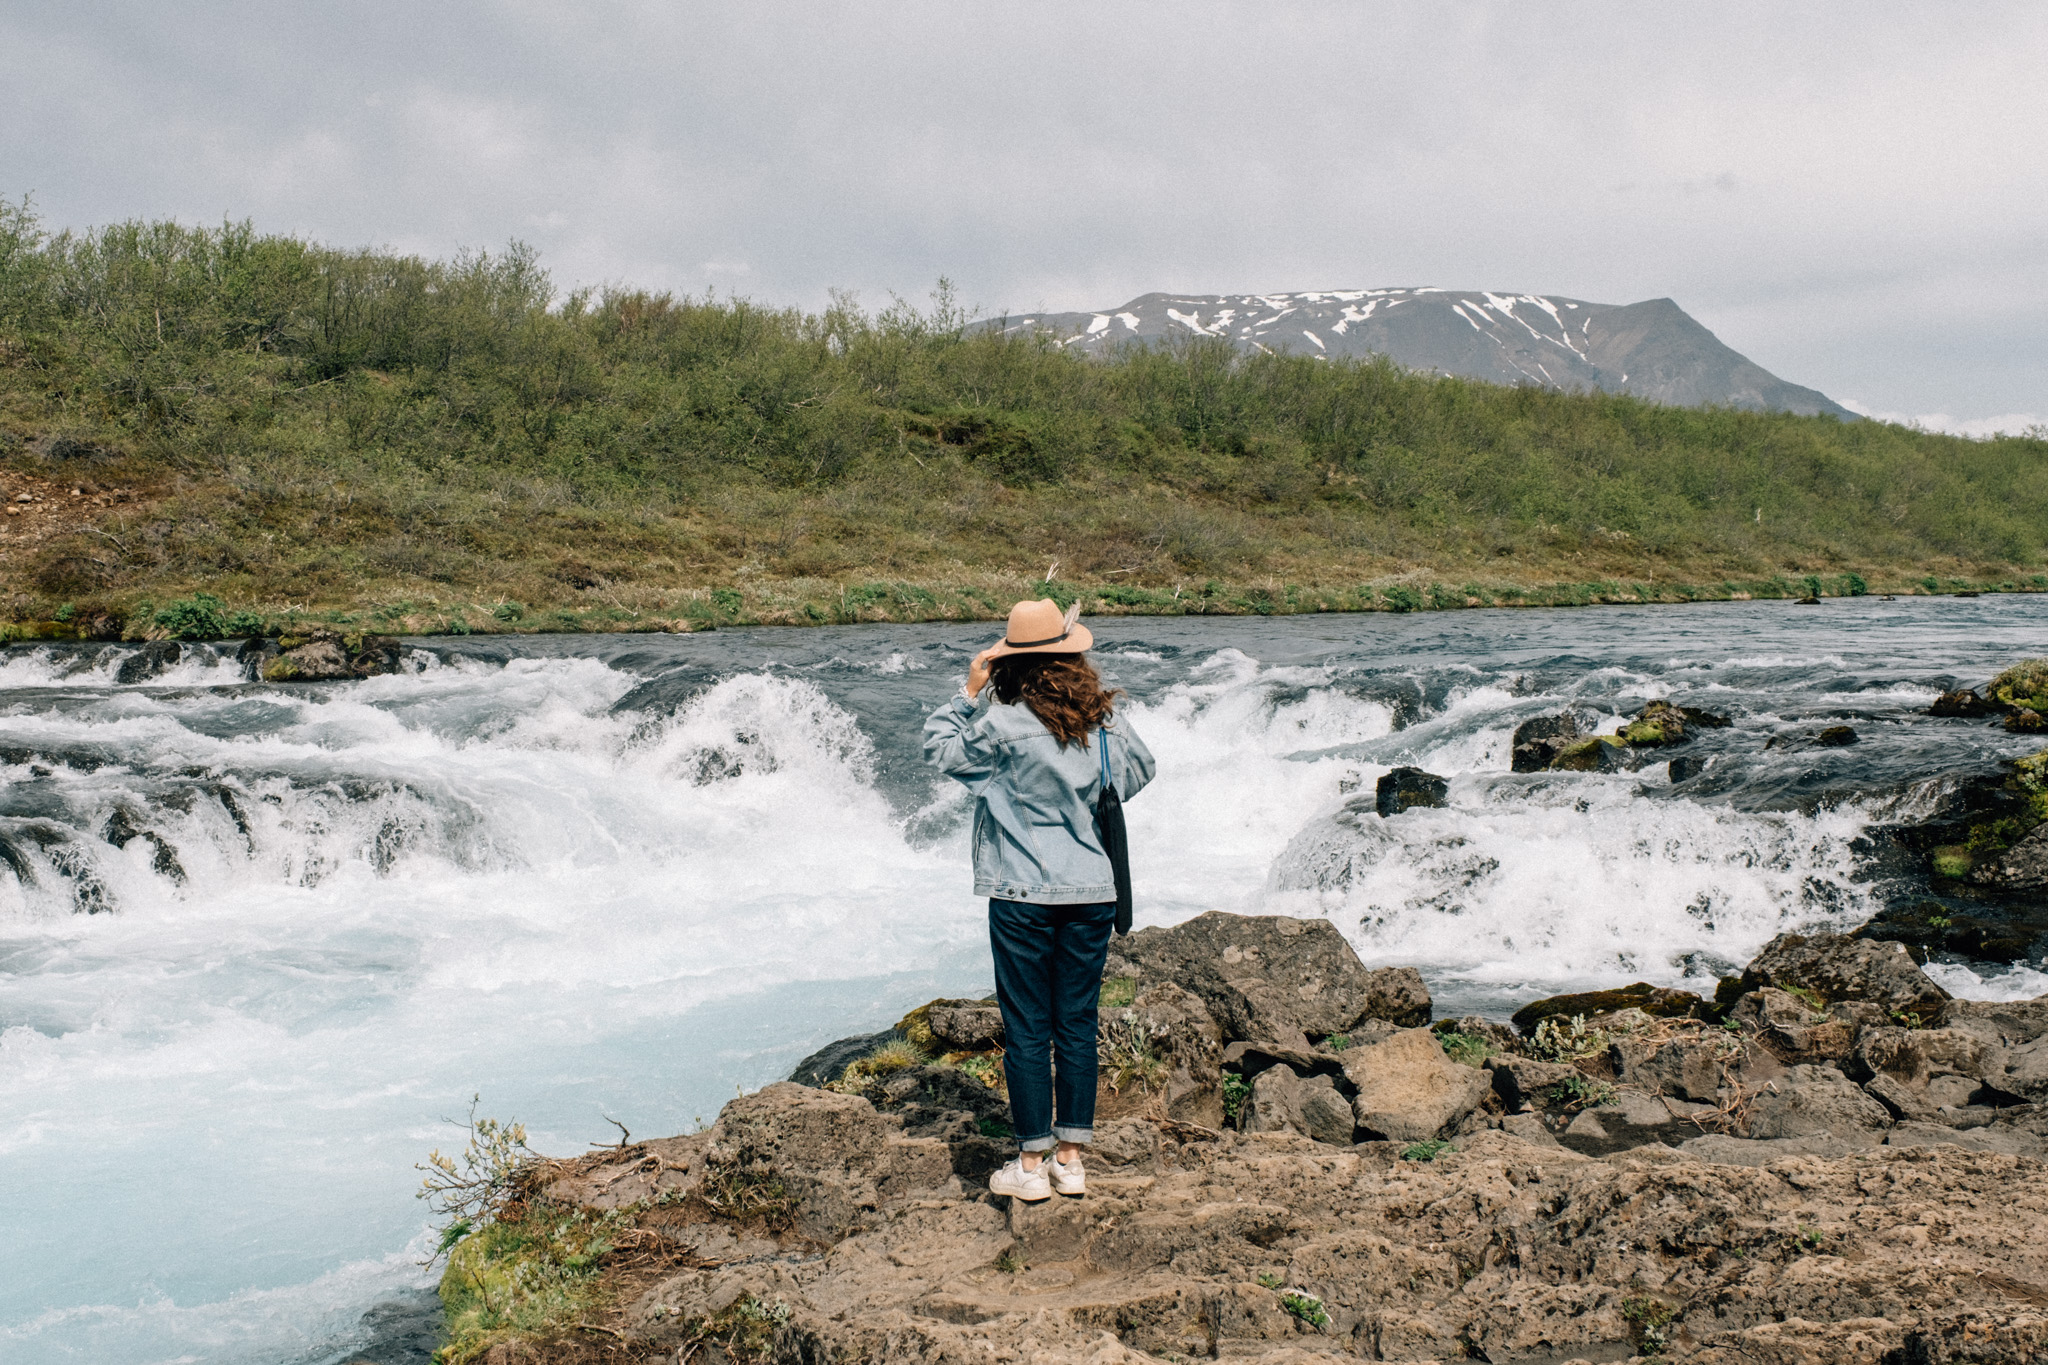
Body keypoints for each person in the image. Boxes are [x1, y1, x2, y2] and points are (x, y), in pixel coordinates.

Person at [923, 598, 1155, 1203]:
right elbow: (1138, 773)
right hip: (1092, 891)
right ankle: (1071, 1163)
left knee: (1028, 1028)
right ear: (1074, 654)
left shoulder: (1000, 725)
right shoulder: (1103, 722)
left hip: (1022, 893)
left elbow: (940, 751)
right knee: (1077, 1024)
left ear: (1009, 665)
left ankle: (1029, 1167)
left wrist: (965, 694)